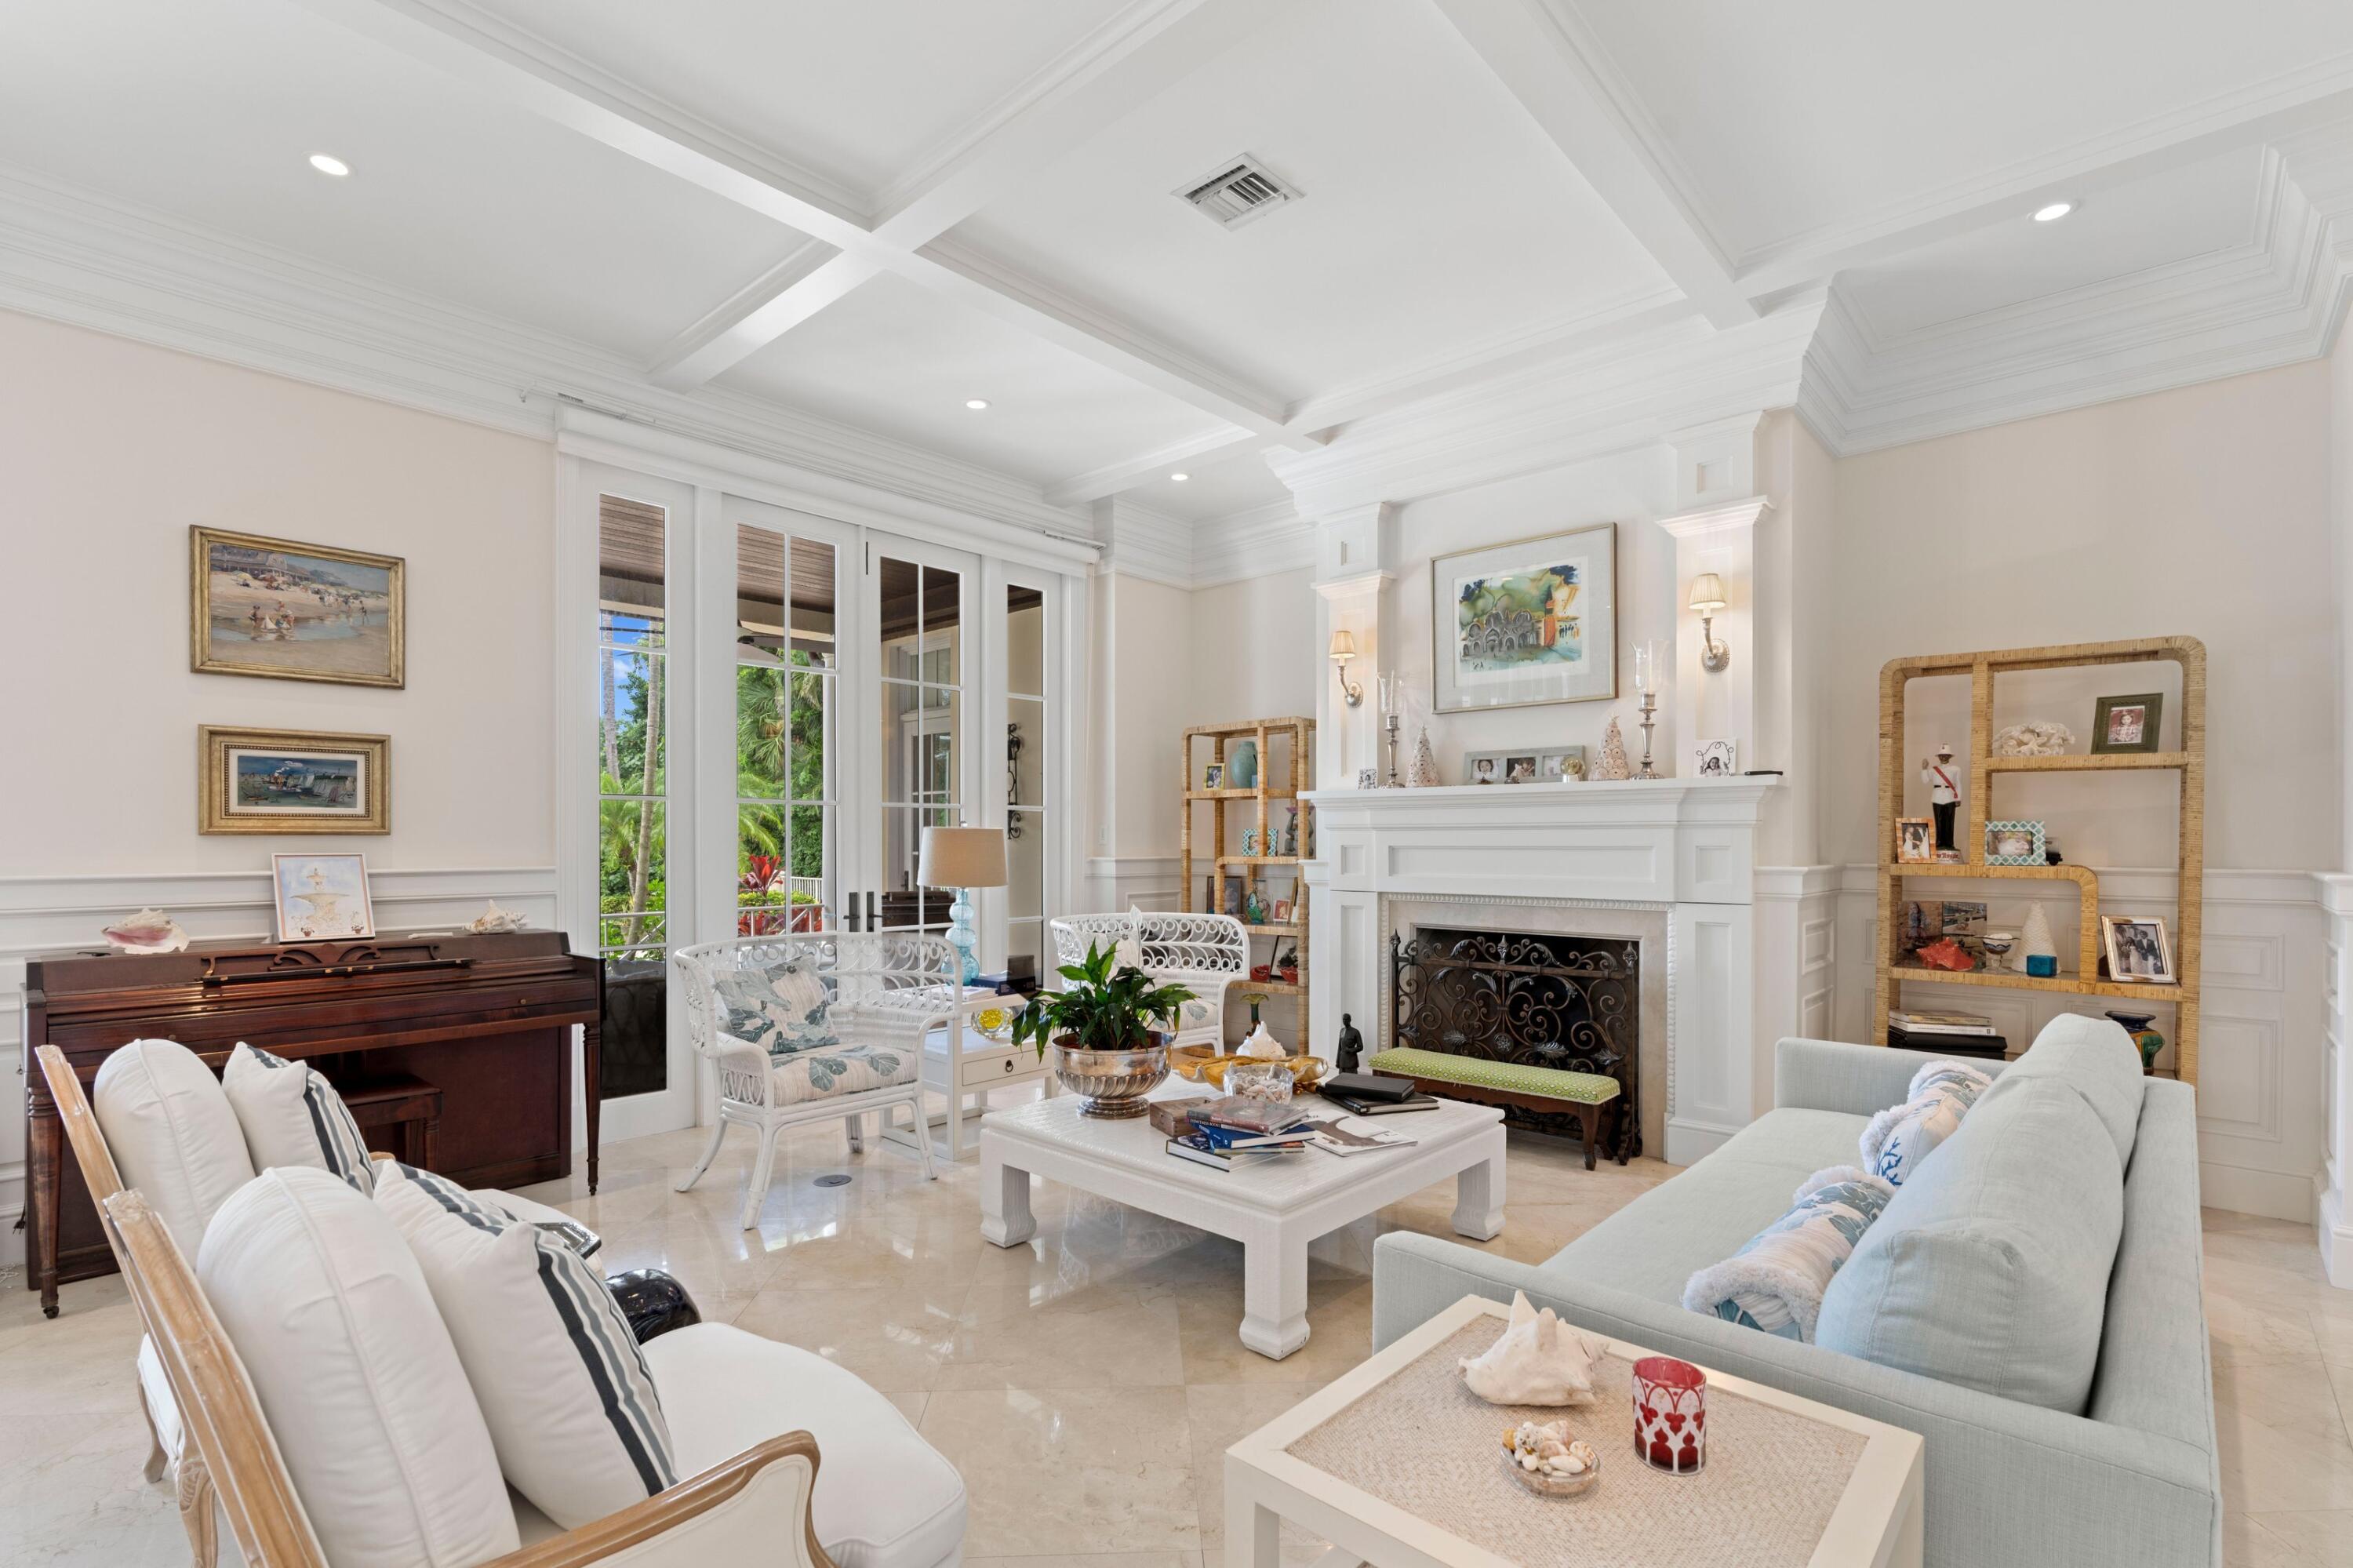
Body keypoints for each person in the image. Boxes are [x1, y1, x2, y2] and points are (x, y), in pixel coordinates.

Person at [1920, 744, 1961, 852]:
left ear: (1950, 757)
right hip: (1937, 797)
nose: (1943, 757)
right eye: (1941, 756)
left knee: (1950, 821)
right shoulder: (1934, 770)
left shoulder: (1955, 769)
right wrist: (1924, 769)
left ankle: (1949, 844)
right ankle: (1939, 843)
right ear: (1938, 757)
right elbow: (1925, 781)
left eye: (1946, 755)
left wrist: (1958, 798)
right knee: (1938, 821)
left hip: (1950, 797)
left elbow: (1958, 784)